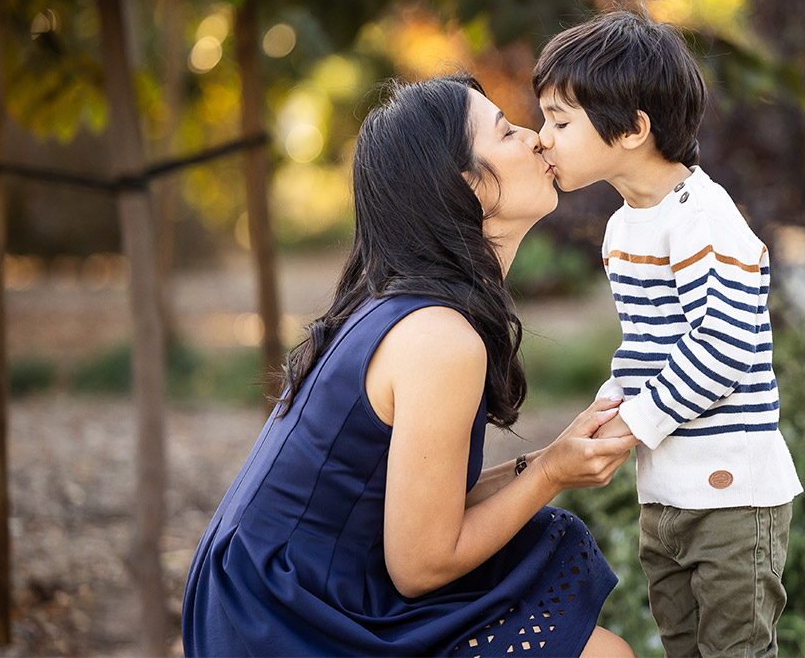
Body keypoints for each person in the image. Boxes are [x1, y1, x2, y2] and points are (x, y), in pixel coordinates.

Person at [181, 75, 639, 657]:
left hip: (279, 597)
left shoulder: (414, 310)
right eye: (506, 132)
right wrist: (549, 475)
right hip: (285, 622)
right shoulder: (438, 337)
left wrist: (553, 457)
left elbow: (421, 506)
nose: (535, 138)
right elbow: (422, 565)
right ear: (462, 184)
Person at [532, 9, 803, 658]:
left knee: (735, 650)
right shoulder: (625, 229)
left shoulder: (704, 219)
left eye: (560, 121)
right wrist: (603, 412)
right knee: (682, 644)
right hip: (668, 495)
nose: (542, 138)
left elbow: (724, 348)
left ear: (631, 129)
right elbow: (647, 350)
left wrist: (635, 424)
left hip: (732, 495)